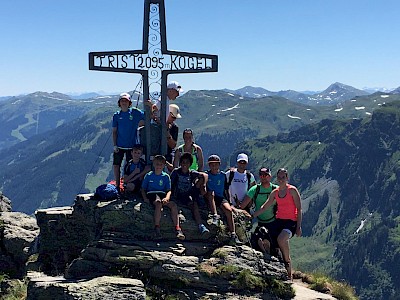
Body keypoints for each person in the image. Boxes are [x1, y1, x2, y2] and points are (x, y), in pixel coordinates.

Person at [252, 168, 302, 280]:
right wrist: (253, 216)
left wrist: (298, 227)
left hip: (291, 223)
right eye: (279, 177)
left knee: (281, 239)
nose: (280, 180)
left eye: (283, 177)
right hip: (278, 221)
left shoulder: (292, 190)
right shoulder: (275, 192)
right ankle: (273, 263)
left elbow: (299, 209)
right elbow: (265, 206)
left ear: (287, 178)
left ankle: (288, 270)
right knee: (263, 238)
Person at [141, 155, 185, 241]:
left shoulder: (165, 177)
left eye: (161, 164)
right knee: (158, 203)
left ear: (164, 165)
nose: (158, 166)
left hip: (162, 194)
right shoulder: (149, 175)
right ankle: (157, 228)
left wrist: (167, 198)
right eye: (157, 164)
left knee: (173, 205)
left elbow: (168, 190)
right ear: (154, 164)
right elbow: (143, 189)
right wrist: (145, 198)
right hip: (152, 194)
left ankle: (178, 229)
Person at [205, 154, 242, 246]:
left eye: (216, 164)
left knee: (228, 210)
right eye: (212, 164)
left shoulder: (223, 176)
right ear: (209, 165)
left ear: (219, 165)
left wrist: (229, 202)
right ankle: (215, 216)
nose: (214, 166)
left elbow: (226, 189)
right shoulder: (206, 175)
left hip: (221, 197)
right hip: (209, 197)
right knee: (211, 194)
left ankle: (233, 234)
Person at [170, 152, 210, 237]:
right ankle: (178, 230)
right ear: (180, 163)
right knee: (175, 209)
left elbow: (205, 175)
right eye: (183, 162)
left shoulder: (191, 173)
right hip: (176, 196)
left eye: (187, 162)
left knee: (194, 206)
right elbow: (170, 184)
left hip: (187, 196)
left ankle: (201, 226)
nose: (185, 164)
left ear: (190, 164)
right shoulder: (176, 172)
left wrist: (204, 185)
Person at [241, 168, 279, 256]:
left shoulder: (276, 189)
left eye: (265, 175)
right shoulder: (255, 189)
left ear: (270, 176)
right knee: (259, 240)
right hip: (261, 222)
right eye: (261, 175)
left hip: (275, 222)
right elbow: (243, 205)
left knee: (276, 245)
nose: (263, 177)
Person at [112, 92, 145, 191]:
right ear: (119, 103)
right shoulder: (116, 115)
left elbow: (146, 116)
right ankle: (117, 185)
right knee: (116, 164)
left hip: (132, 146)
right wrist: (114, 145)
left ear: (129, 102)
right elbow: (114, 131)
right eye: (122, 101)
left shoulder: (134, 112)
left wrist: (150, 106)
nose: (124, 103)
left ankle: (129, 185)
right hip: (119, 146)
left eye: (126, 101)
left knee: (130, 167)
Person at [165, 104, 181, 172]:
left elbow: (173, 145)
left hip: (168, 155)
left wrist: (167, 133)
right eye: (173, 117)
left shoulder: (174, 128)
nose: (174, 120)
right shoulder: (156, 124)